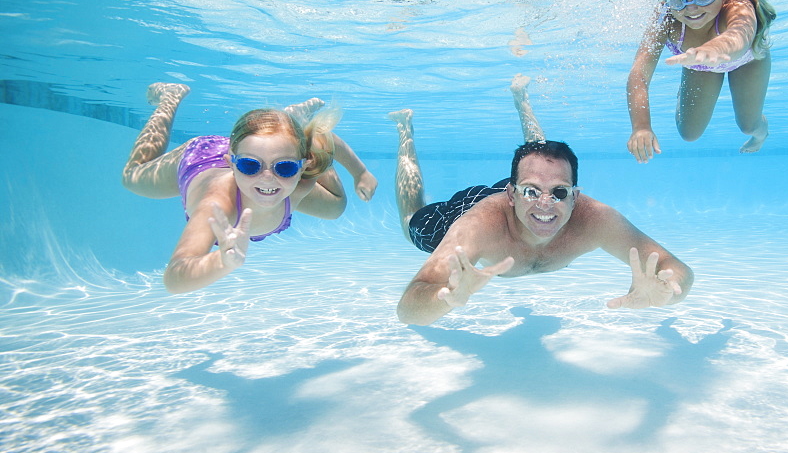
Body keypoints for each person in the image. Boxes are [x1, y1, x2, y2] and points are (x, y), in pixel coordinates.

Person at [389, 75, 693, 326]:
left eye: (560, 193)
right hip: (484, 210)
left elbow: (677, 270)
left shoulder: (594, 219)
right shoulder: (478, 226)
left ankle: (522, 102)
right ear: (511, 193)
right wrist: (445, 298)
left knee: (542, 160)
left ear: (575, 197)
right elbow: (408, 307)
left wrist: (668, 291)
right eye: (532, 192)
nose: (546, 204)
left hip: (521, 199)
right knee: (411, 223)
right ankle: (405, 130)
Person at [122, 82, 377, 293]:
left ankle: (289, 127)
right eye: (249, 166)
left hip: (270, 152)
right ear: (231, 162)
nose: (267, 178)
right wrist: (221, 261)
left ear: (302, 165)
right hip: (198, 159)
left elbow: (322, 135)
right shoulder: (217, 206)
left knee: (335, 207)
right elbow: (175, 277)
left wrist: (360, 172)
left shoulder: (301, 182)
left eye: (285, 167)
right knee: (131, 177)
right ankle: (170, 96)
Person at [626, 0, 776, 160]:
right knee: (689, 133)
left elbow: (739, 35)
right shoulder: (665, 18)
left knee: (749, 124)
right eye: (677, 0)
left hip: (748, 60)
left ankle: (760, 136)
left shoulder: (737, 6)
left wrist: (713, 50)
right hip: (699, 64)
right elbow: (638, 75)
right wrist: (641, 126)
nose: (691, 9)